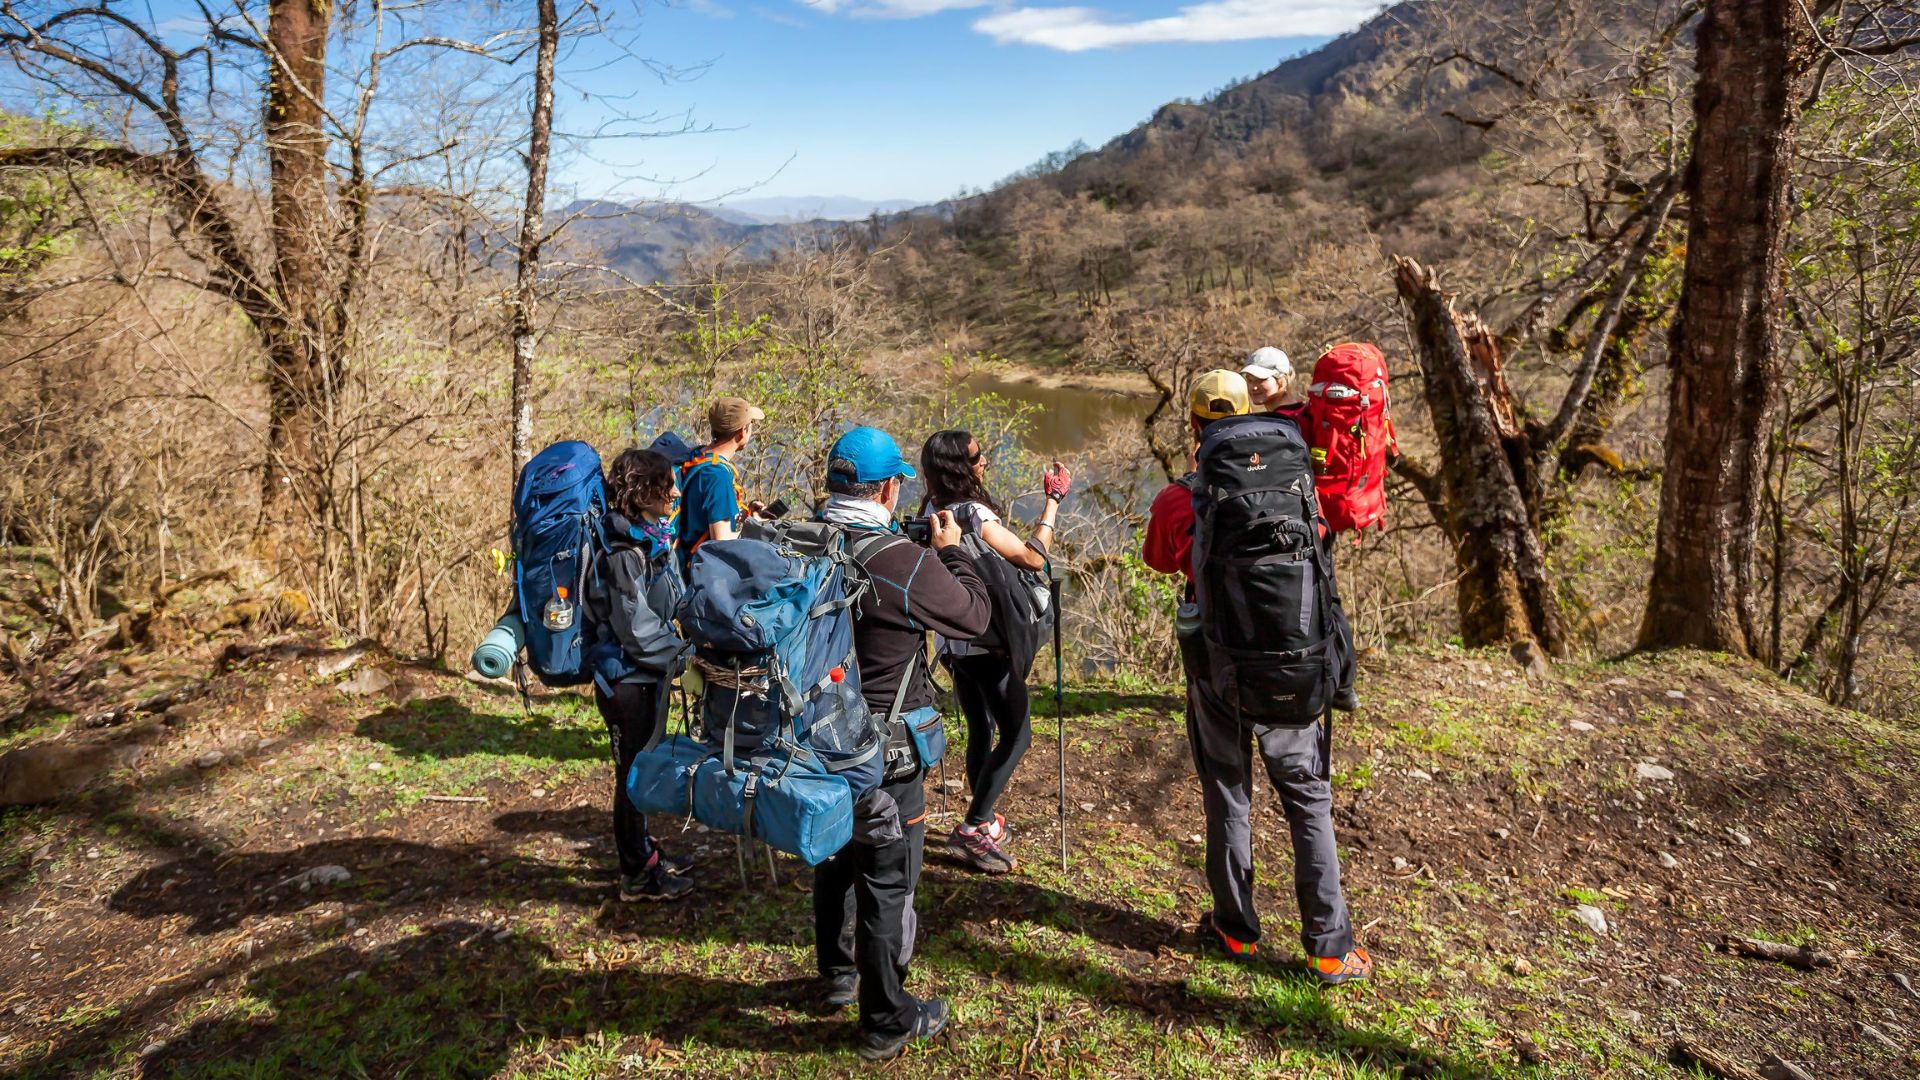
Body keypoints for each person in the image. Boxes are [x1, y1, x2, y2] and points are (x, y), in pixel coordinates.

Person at [1142, 370, 1372, 985]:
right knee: (1308, 801)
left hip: (1218, 669)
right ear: (1255, 417)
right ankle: (1329, 948)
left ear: (1193, 427)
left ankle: (1235, 929)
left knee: (1227, 794)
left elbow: (1159, 559)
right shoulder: (1302, 489)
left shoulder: (1176, 498)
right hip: (1297, 662)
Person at [809, 426, 991, 1061]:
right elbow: (972, 614)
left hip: (817, 737)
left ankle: (837, 974)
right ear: (889, 488)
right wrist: (953, 551)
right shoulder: (899, 560)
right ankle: (887, 1017)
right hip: (886, 750)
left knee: (834, 855)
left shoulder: (805, 541)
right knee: (890, 880)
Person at [917, 430, 1072, 875]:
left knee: (981, 729)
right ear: (960, 467)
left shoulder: (930, 510)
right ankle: (975, 825)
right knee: (1018, 735)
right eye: (977, 457)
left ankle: (980, 814)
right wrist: (1053, 502)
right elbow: (1031, 557)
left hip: (952, 641)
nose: (984, 461)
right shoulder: (973, 513)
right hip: (986, 642)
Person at [584, 448, 695, 902]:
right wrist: (683, 656)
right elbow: (636, 630)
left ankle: (644, 855)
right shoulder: (623, 550)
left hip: (642, 676)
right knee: (632, 780)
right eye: (666, 483)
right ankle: (637, 876)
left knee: (639, 772)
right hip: (627, 682)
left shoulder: (646, 538)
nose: (674, 491)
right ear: (642, 490)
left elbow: (665, 604)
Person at [674, 396, 764, 577]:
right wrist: (756, 527)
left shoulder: (698, 455)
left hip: (683, 559)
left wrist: (746, 516)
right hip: (700, 577)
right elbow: (723, 542)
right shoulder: (718, 475)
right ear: (742, 431)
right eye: (751, 425)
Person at [1242, 346, 1294, 412]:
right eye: (1249, 380)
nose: (1253, 387)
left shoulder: (1294, 418)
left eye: (1261, 380)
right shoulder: (1274, 417)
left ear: (1281, 382)